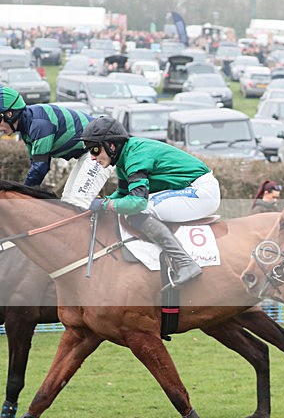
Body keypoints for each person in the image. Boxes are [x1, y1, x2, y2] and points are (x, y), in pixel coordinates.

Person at [80, 116, 221, 289]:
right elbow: (123, 194)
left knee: (137, 213)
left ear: (111, 145)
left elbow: (137, 203)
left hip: (201, 192)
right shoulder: (125, 158)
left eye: (94, 150)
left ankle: (185, 263)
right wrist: (103, 202)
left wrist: (105, 205)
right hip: (190, 190)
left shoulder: (136, 155)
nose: (93, 157)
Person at [0, 86, 111, 208]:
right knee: (68, 203)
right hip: (89, 152)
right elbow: (37, 166)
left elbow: (40, 168)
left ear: (9, 114)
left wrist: (20, 198)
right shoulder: (27, 127)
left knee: (77, 204)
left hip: (102, 150)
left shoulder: (39, 125)